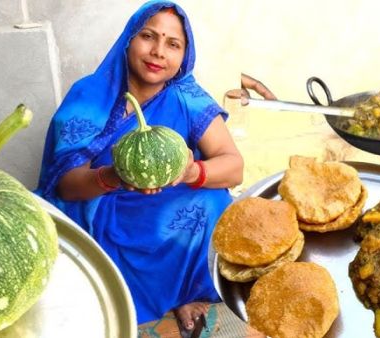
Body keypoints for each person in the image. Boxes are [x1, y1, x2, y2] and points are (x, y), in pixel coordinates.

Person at [35, 1, 245, 332]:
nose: (158, 51)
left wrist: (192, 173)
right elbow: (66, 185)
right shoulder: (89, 94)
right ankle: (118, 297)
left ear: (182, 56)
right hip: (104, 206)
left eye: (173, 44)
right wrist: (113, 176)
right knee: (78, 274)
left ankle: (188, 292)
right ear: (129, 40)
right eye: (148, 36)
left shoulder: (186, 96)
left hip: (166, 202)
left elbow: (233, 166)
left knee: (214, 203)